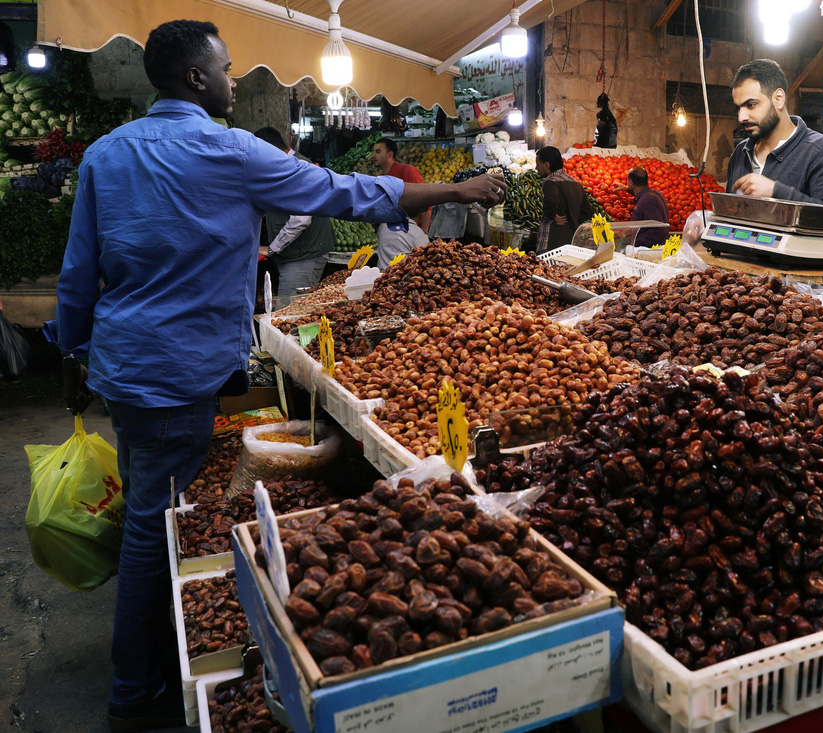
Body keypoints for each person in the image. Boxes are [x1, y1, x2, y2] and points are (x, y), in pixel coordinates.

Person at [45, 20, 505, 733]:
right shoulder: (229, 151)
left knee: (148, 503)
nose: (235, 80)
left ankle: (151, 662)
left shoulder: (107, 155)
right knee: (151, 526)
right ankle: (134, 694)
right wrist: (464, 188)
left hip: (123, 364)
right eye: (227, 69)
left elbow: (79, 273)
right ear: (197, 79)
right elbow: (344, 192)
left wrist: (71, 351)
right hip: (179, 371)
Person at [725, 59, 823, 208]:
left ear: (778, 99)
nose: (741, 117)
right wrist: (709, 219)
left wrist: (776, 192)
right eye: (738, 108)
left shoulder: (822, 151)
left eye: (751, 105)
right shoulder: (740, 152)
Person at [254, 127, 336, 296]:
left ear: (269, 149)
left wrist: (272, 248)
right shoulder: (284, 168)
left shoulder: (300, 168)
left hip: (304, 257)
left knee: (288, 314)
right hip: (295, 256)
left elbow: (301, 219)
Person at [535, 146, 594, 253]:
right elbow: (588, 212)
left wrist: (552, 216)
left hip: (552, 242)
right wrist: (573, 219)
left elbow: (551, 202)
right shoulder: (576, 183)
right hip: (570, 240)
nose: (536, 168)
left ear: (547, 165)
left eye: (538, 164)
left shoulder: (551, 182)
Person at [372, 138, 431, 233]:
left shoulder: (407, 170)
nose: (373, 155)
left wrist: (424, 233)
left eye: (378, 152)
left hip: (412, 232)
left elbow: (426, 202)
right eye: (373, 151)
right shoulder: (380, 179)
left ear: (389, 154)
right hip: (393, 233)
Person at [614, 166, 669, 248]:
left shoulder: (647, 201)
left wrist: (636, 244)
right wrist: (627, 189)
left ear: (630, 182)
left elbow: (658, 230)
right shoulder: (654, 194)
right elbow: (643, 195)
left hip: (649, 251)